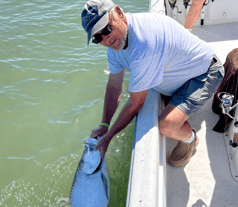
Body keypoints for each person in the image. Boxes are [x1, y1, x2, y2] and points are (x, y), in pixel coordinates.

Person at [81, 0, 224, 167]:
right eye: (98, 37)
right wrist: (104, 125)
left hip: (204, 73)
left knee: (167, 126)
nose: (105, 39)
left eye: (107, 28)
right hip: (177, 76)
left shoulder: (143, 43)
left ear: (119, 13)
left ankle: (191, 139)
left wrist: (108, 137)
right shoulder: (115, 47)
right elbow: (114, 86)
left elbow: (136, 104)